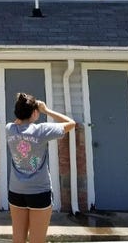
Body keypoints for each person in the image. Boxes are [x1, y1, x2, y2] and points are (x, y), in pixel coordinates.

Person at [6, 92, 76, 243]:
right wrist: (46, 110)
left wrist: (25, 109)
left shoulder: (9, 129)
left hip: (16, 191)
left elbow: (18, 121)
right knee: (37, 240)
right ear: (34, 112)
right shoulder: (42, 130)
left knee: (18, 239)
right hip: (39, 192)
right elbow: (71, 123)